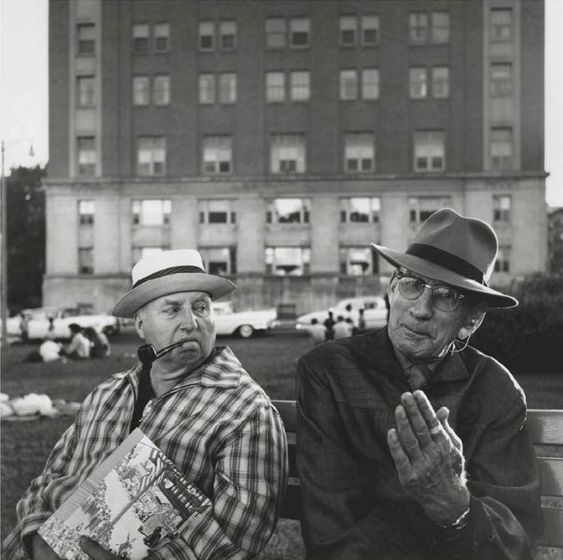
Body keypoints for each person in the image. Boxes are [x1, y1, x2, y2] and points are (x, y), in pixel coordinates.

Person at [3, 249, 288, 560]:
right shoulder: (108, 393)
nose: (191, 323)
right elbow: (47, 480)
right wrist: (37, 542)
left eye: (201, 307)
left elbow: (238, 541)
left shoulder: (245, 410)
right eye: (172, 310)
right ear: (140, 325)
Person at [296, 208, 542, 560]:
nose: (421, 309)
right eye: (412, 284)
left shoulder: (495, 391)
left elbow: (516, 543)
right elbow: (329, 532)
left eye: (446, 296)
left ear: (471, 320)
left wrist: (452, 501)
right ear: (393, 289)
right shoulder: (328, 372)